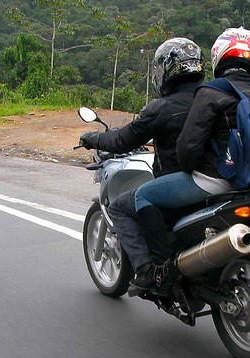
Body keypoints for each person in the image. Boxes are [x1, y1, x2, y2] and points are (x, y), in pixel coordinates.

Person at [131, 26, 250, 292]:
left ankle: (159, 272)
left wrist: (190, 167)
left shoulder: (211, 93)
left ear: (218, 57)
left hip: (218, 180)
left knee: (142, 196)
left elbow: (188, 148)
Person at [79, 37, 205, 292]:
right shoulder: (211, 98)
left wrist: (94, 139)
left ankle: (150, 272)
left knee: (121, 207)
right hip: (219, 181)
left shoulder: (163, 108)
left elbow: (124, 139)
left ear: (167, 70)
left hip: (184, 184)